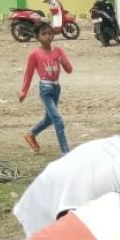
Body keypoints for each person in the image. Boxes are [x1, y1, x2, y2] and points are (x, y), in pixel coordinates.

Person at [19, 22, 73, 155]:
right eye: (44, 34)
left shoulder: (58, 51)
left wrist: (63, 61)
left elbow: (69, 70)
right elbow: (29, 74)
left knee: (49, 119)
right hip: (45, 89)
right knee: (58, 121)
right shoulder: (35, 54)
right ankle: (65, 152)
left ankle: (31, 134)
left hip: (56, 87)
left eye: (50, 33)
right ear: (37, 37)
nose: (48, 36)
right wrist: (24, 91)